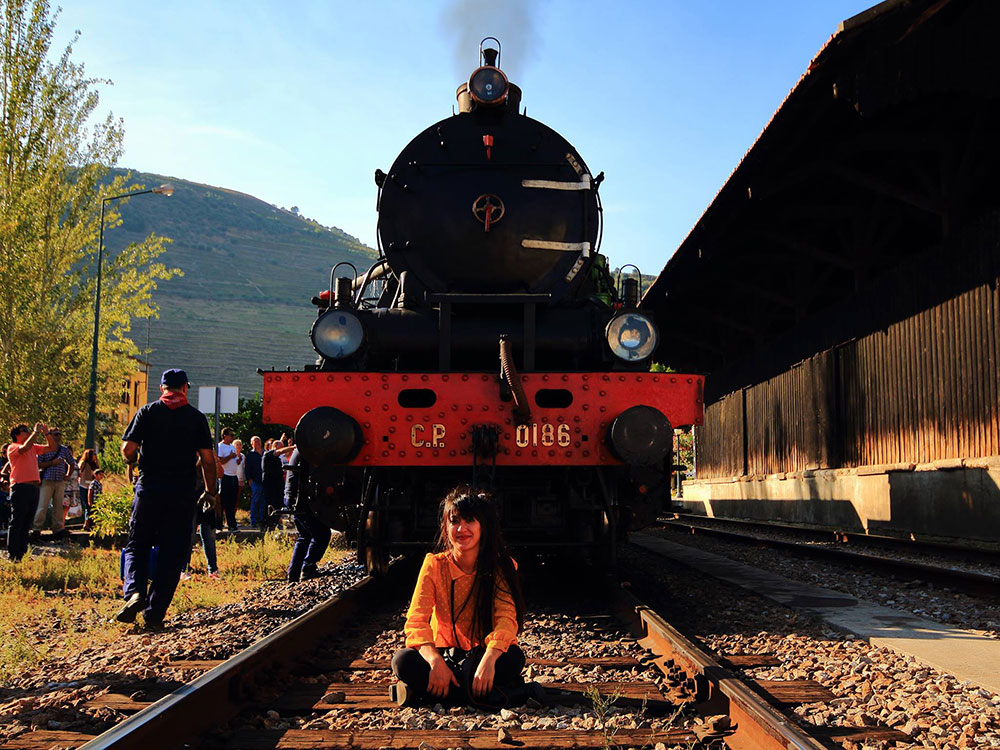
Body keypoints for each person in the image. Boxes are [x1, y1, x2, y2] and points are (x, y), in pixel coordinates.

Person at [390, 488, 539, 709]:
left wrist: (489, 660)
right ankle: (486, 693)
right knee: (402, 661)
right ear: (445, 526)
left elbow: (506, 619)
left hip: (482, 655)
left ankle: (430, 694)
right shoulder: (434, 565)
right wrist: (435, 661)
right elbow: (416, 621)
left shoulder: (501, 567)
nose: (461, 529)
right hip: (443, 656)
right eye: (454, 521)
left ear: (484, 527)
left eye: (470, 520)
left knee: (514, 658)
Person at [118, 369, 216, 629]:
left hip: (148, 489)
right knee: (173, 554)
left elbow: (128, 450)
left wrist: (131, 459)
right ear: (185, 387)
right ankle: (154, 616)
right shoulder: (196, 418)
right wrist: (211, 492)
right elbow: (208, 459)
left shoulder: (147, 412)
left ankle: (135, 592)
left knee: (137, 544)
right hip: (182, 494)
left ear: (162, 388)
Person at [5, 423, 52, 561]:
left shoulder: (33, 447)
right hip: (20, 487)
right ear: (17, 435)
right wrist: (36, 432)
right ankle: (13, 553)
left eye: (27, 430)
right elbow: (24, 448)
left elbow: (51, 448)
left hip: (33, 488)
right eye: (24, 431)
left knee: (27, 522)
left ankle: (22, 553)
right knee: (17, 520)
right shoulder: (12, 447)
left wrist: (47, 433)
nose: (27, 432)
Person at [283, 448, 331, 581]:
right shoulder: (307, 450)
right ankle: (308, 567)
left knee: (304, 536)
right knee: (322, 534)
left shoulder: (300, 450)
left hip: (293, 496)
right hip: (301, 499)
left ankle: (293, 575)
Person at [32, 427, 76, 540]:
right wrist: (52, 463)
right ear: (50, 435)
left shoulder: (64, 449)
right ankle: (37, 528)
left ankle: (57, 528)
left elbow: (72, 463)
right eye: (55, 434)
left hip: (60, 481)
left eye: (59, 434)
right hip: (47, 480)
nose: (58, 436)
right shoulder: (43, 449)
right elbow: (37, 464)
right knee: (43, 505)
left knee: (58, 506)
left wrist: (67, 475)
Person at [216, 427, 240, 531]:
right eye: (231, 435)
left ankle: (231, 524)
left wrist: (238, 460)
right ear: (225, 436)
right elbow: (220, 461)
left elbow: (234, 460)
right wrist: (230, 457)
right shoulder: (220, 446)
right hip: (224, 476)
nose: (232, 437)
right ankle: (218, 524)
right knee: (222, 501)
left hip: (234, 476)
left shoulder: (232, 447)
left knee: (232, 501)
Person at [245, 435, 264, 528]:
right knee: (255, 500)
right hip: (255, 481)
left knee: (263, 501)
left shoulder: (265, 453)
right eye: (255, 441)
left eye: (258, 441)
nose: (257, 443)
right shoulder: (250, 455)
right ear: (251, 444)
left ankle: (261, 520)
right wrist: (249, 479)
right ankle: (253, 520)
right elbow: (247, 468)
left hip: (264, 480)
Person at [77, 449, 100, 529]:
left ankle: (92, 522)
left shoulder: (94, 464)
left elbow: (99, 472)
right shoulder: (83, 463)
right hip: (84, 486)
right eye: (93, 454)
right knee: (87, 505)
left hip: (93, 487)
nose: (95, 455)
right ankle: (86, 523)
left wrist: (97, 462)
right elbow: (78, 472)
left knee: (93, 505)